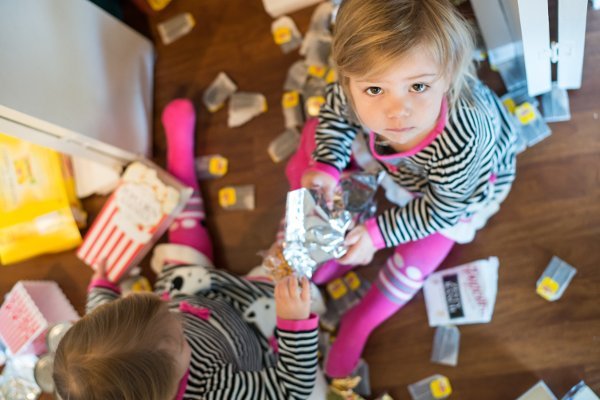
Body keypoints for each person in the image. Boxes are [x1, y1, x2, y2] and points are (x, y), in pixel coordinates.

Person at [286, 0, 517, 377]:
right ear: (348, 77)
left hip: (456, 194)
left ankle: (362, 320)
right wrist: (326, 167)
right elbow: (335, 112)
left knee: (430, 245)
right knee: (316, 140)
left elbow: (444, 210)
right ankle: (322, 249)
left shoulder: (467, 134)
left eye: (419, 86)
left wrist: (376, 236)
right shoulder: (354, 88)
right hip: (398, 166)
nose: (397, 112)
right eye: (375, 89)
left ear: (449, 75)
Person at [53, 99, 319, 400]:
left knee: (182, 249)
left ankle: (181, 165)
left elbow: (102, 323)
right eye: (180, 339)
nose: (177, 319)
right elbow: (292, 390)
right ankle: (302, 196)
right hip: (250, 321)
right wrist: (294, 322)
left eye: (163, 311)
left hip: (194, 291)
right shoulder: (216, 389)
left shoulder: (123, 348)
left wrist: (102, 286)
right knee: (289, 265)